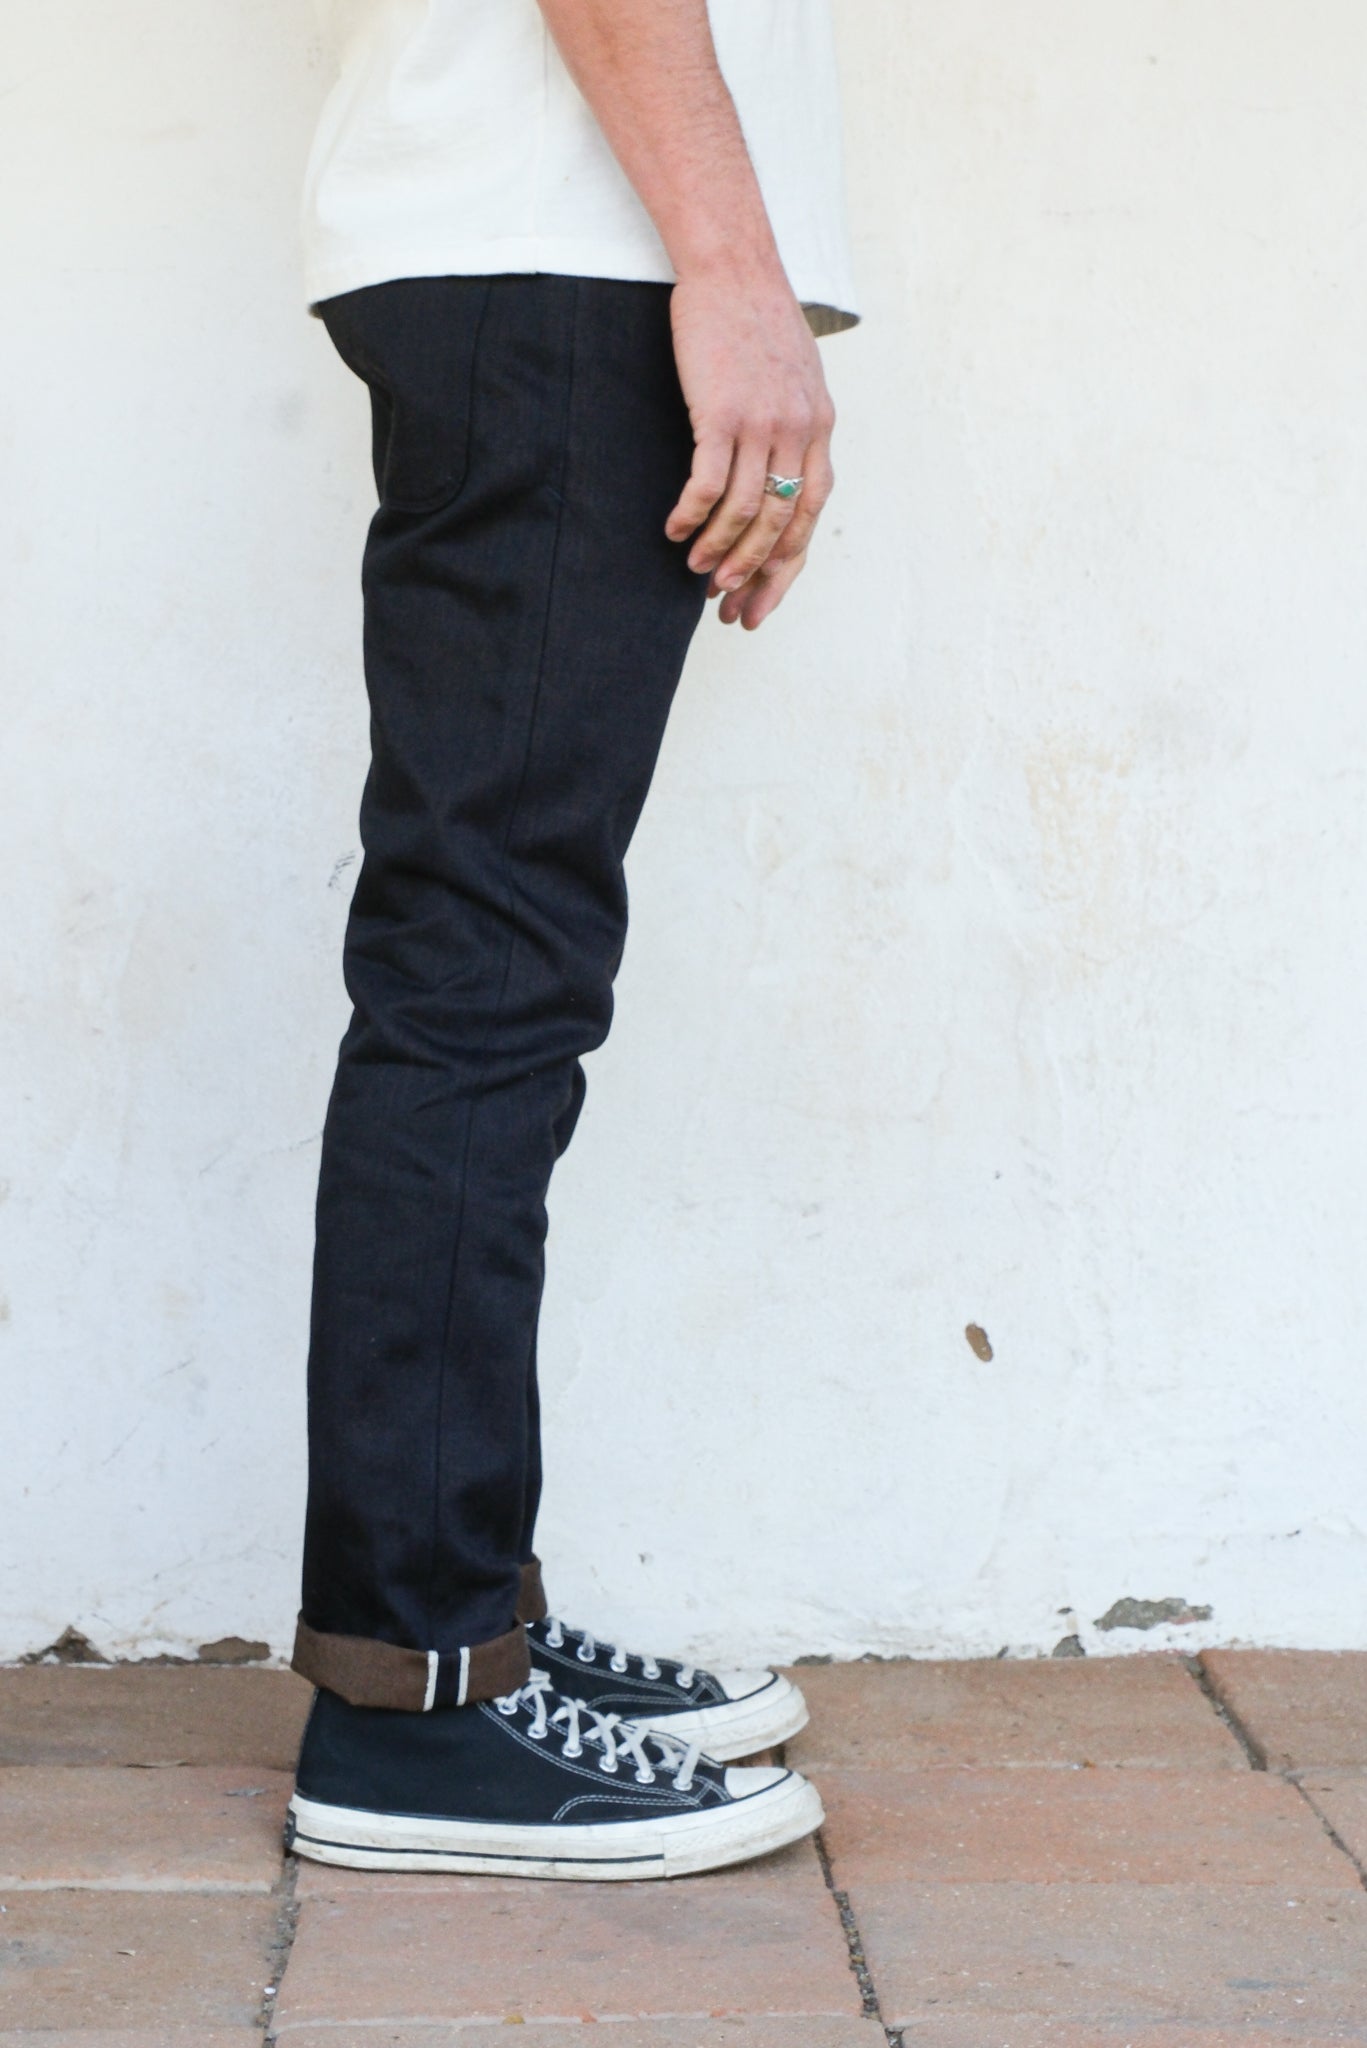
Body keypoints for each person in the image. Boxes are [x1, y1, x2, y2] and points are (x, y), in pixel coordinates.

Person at [286, 0, 859, 1881]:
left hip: (553, 254)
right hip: (564, 261)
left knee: (498, 968)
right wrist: (736, 276)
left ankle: (472, 1631)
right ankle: (414, 1704)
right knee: (483, 974)